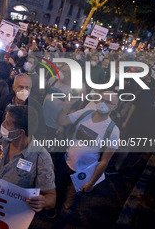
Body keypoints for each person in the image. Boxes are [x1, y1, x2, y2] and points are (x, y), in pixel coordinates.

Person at [52, 93, 120, 228]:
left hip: (82, 173)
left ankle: (60, 224)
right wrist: (68, 105)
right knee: (57, 191)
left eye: (109, 102)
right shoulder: (86, 113)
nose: (104, 103)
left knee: (69, 204)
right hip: (66, 162)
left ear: (115, 107)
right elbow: (61, 121)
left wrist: (91, 182)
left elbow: (104, 161)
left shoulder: (113, 131)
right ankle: (53, 212)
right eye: (102, 99)